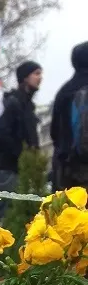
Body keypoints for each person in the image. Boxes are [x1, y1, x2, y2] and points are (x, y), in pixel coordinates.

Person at [0, 61, 42, 223]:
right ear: (25, 77)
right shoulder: (14, 103)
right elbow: (1, 135)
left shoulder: (27, 105)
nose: (40, 78)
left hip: (18, 169)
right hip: (9, 170)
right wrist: (21, 154)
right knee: (0, 218)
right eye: (37, 73)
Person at [50, 41, 88, 189]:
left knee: (67, 210)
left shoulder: (64, 91)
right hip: (85, 170)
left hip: (65, 169)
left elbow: (54, 132)